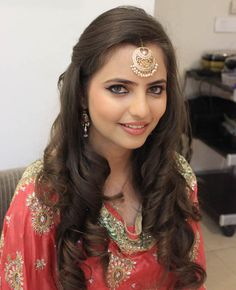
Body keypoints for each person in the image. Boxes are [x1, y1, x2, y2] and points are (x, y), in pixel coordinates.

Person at [0, 6, 207, 290]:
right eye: (119, 88)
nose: (142, 109)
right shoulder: (42, 196)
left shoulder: (177, 177)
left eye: (155, 89)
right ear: (83, 95)